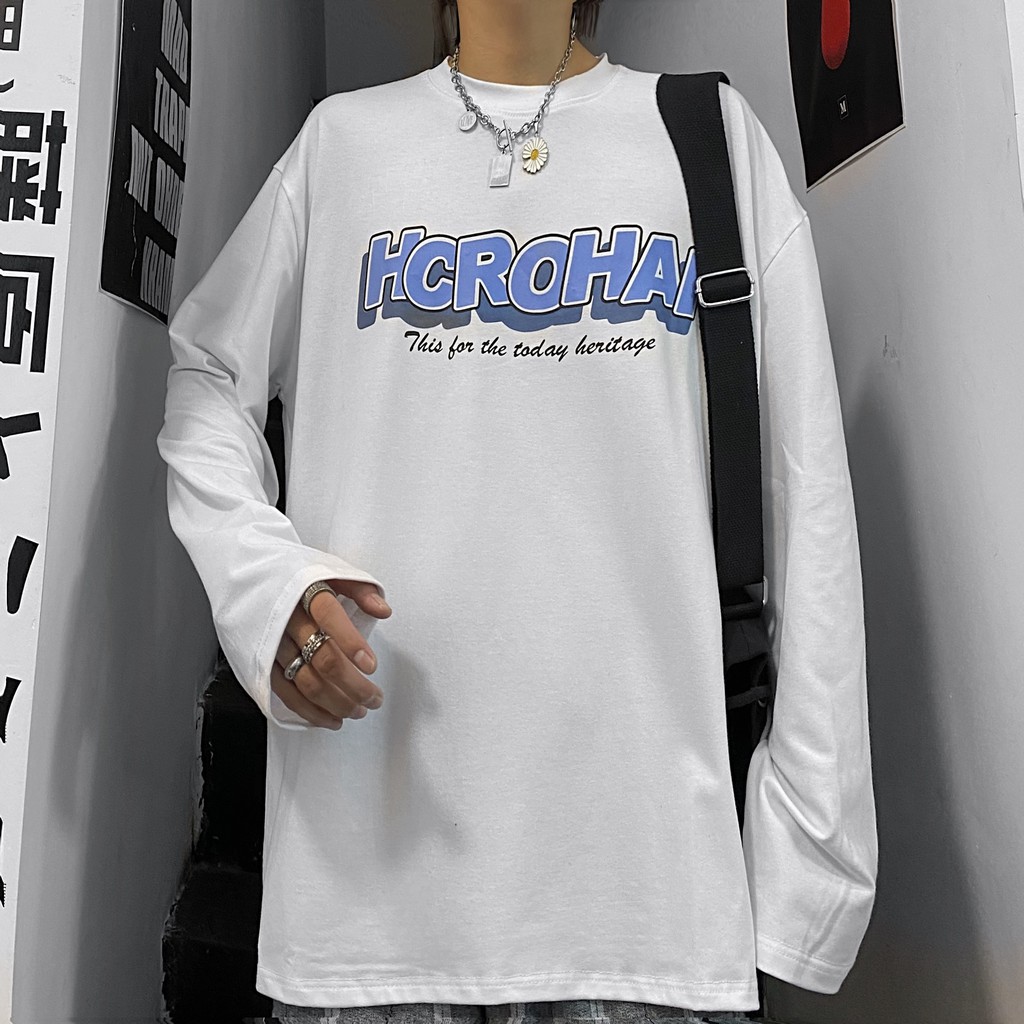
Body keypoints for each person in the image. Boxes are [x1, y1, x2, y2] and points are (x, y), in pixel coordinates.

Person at [156, 1, 878, 1023]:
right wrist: (265, 587)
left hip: (641, 903)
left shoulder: (707, 140)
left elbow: (808, 497)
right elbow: (207, 377)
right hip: (368, 911)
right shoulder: (341, 146)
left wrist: (812, 854)